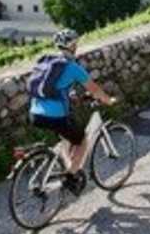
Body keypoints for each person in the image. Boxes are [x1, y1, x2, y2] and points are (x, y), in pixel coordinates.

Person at [29, 28, 118, 194]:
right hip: (55, 115)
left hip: (35, 112)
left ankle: (66, 165)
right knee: (82, 140)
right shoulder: (73, 67)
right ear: (72, 46)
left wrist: (71, 95)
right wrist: (108, 100)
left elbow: (54, 86)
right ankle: (70, 176)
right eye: (76, 43)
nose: (77, 46)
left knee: (66, 136)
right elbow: (95, 90)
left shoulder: (47, 60)